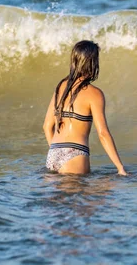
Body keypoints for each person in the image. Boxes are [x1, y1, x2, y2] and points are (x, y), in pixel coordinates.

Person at [43, 40, 127, 175]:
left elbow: (47, 127)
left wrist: (57, 152)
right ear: (93, 63)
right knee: (88, 195)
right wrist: (120, 167)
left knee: (58, 196)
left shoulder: (61, 88)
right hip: (76, 154)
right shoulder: (95, 94)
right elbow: (103, 133)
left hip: (54, 152)